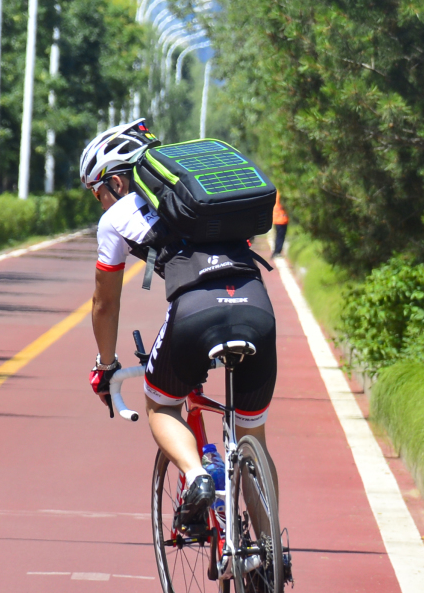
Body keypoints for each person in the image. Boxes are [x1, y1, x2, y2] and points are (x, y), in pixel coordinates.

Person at [82, 119, 279, 527]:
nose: (101, 203)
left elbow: (105, 303)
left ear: (117, 183)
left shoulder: (117, 216)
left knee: (161, 402)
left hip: (194, 311)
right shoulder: (205, 200)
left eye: (98, 192)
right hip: (257, 305)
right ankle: (268, 555)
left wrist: (105, 367)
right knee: (252, 434)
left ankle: (196, 476)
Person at [270, 190, 289, 259]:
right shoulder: (284, 194)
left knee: (278, 236)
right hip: (282, 219)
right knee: (280, 237)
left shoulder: (276, 192)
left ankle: (276, 251)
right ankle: (277, 252)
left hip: (276, 219)